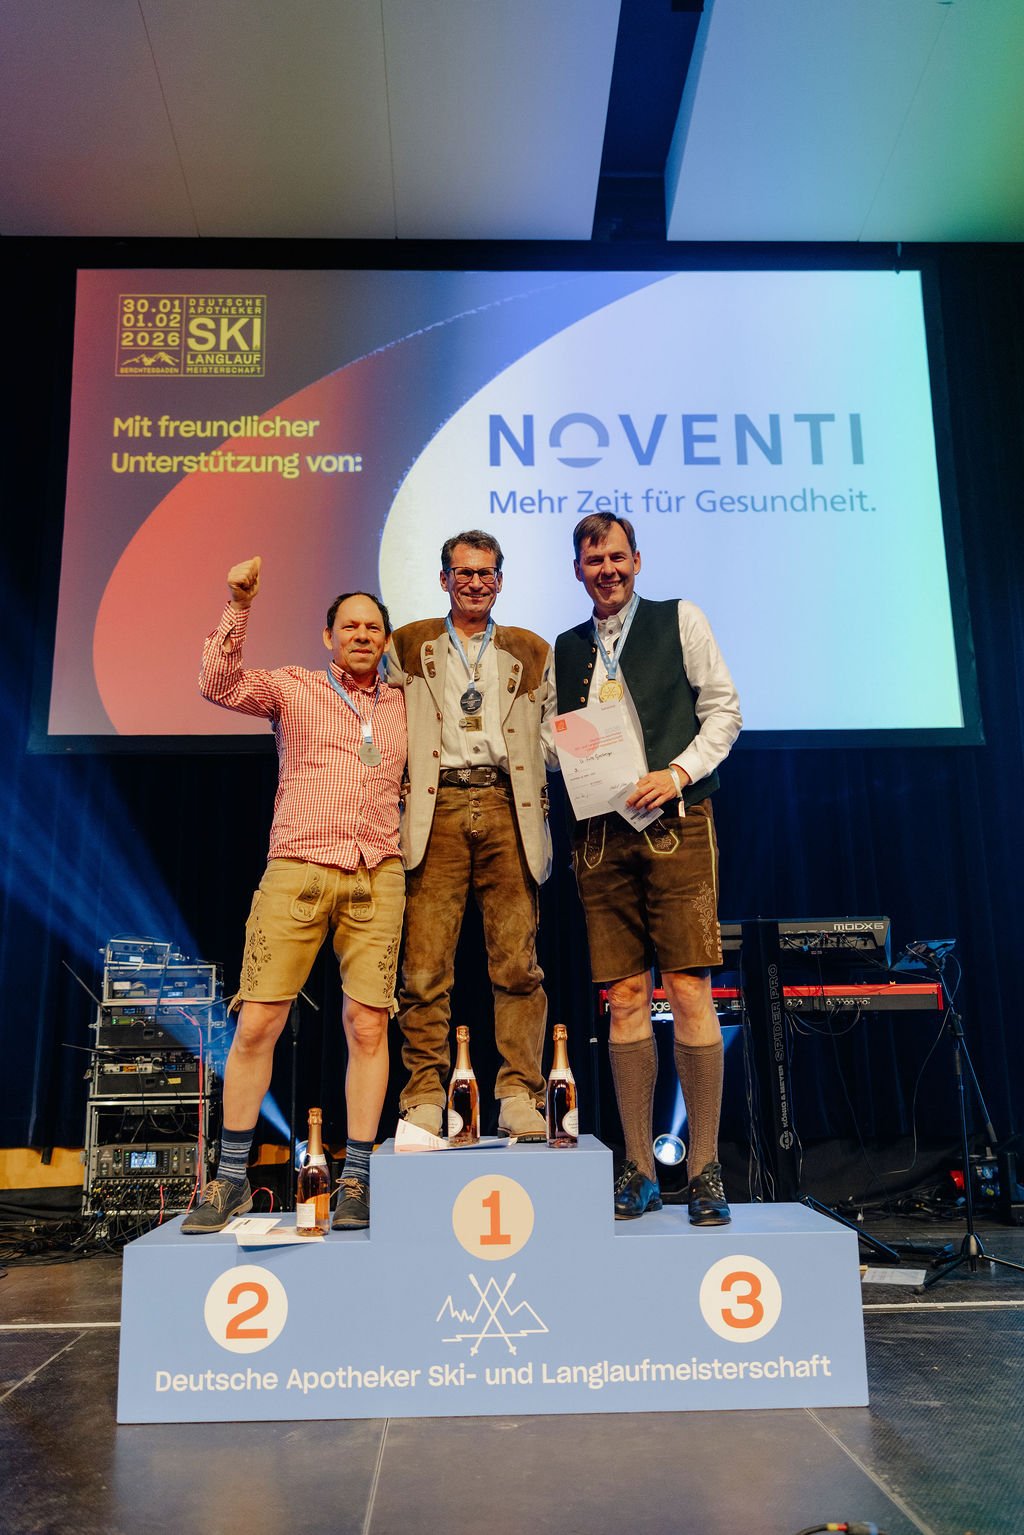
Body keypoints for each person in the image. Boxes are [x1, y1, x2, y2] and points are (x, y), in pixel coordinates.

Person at [184, 556, 407, 1233]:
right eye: (350, 626)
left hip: (377, 875)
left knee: (368, 1026)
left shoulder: (405, 703)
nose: (362, 635)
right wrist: (238, 603)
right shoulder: (295, 687)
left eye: (373, 627)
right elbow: (217, 683)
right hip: (298, 869)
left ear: (386, 639)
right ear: (327, 635)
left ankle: (356, 1179)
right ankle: (231, 1180)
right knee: (258, 1022)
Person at [554, 514, 742, 1224]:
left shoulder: (679, 619)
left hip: (676, 824)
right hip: (600, 838)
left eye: (616, 556)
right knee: (626, 996)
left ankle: (705, 1170)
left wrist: (678, 772)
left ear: (637, 559)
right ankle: (637, 1168)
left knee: (689, 988)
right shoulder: (567, 648)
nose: (607, 569)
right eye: (593, 559)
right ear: (578, 570)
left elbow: (724, 712)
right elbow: (555, 740)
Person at [387, 531, 556, 1140]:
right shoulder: (408, 645)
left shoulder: (531, 649)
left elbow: (554, 737)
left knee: (517, 963)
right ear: (444, 579)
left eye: (486, 573)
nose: (476, 583)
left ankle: (519, 1092)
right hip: (437, 808)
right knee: (424, 969)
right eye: (464, 573)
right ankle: (424, 1096)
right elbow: (382, 723)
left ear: (500, 581)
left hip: (508, 804)